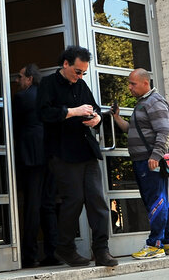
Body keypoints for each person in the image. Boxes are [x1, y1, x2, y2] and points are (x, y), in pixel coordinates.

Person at [36, 46, 118, 267]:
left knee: (97, 201)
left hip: (86, 151)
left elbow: (96, 109)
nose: (80, 76)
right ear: (65, 64)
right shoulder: (48, 84)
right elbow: (44, 114)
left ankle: (101, 250)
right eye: (77, 71)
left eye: (83, 72)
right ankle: (65, 248)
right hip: (62, 152)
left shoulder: (81, 85)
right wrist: (72, 111)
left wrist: (97, 119)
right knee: (73, 201)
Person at [110, 68, 169, 259]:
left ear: (145, 83)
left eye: (133, 83)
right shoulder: (143, 103)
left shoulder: (155, 102)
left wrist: (156, 155)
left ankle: (155, 244)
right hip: (144, 160)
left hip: (150, 161)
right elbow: (131, 130)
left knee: (155, 201)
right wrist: (116, 117)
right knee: (160, 200)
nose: (129, 87)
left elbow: (165, 132)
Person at [12, 64, 60, 268]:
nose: (17, 80)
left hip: (31, 158)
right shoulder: (48, 96)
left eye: (20, 76)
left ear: (30, 78)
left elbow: (11, 127)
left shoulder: (21, 98)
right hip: (50, 156)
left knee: (32, 206)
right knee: (47, 204)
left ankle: (29, 255)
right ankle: (53, 252)